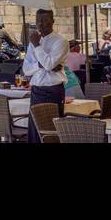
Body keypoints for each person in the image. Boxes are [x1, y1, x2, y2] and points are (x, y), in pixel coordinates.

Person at [21, 8, 69, 143]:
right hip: (36, 90)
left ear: (52, 21)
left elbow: (48, 64)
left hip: (53, 90)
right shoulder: (34, 42)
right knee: (35, 130)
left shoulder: (60, 41)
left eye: (44, 20)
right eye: (38, 21)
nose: (40, 24)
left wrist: (37, 46)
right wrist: (40, 65)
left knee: (50, 130)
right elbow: (26, 69)